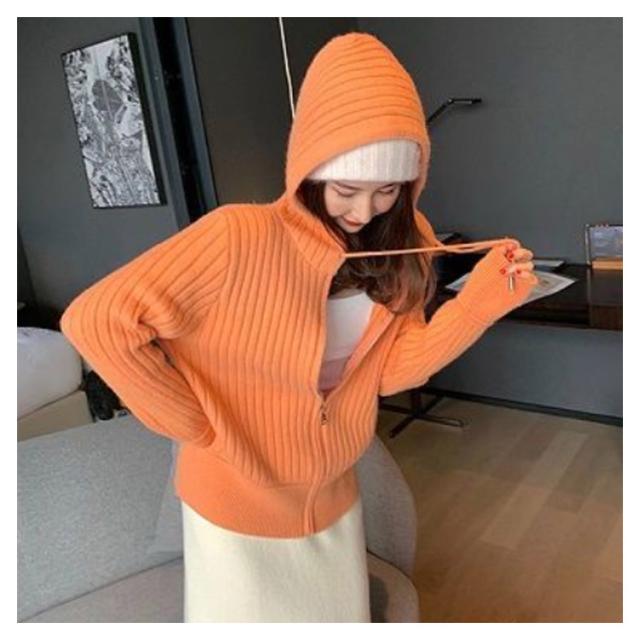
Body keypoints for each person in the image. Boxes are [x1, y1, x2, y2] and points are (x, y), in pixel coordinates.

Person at [59, 32, 537, 623]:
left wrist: (478, 306)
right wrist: (194, 424)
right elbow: (97, 320)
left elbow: (390, 373)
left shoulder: (403, 238)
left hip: (334, 495)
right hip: (235, 505)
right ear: (309, 172)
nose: (364, 212)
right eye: (346, 189)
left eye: (388, 190)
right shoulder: (238, 237)